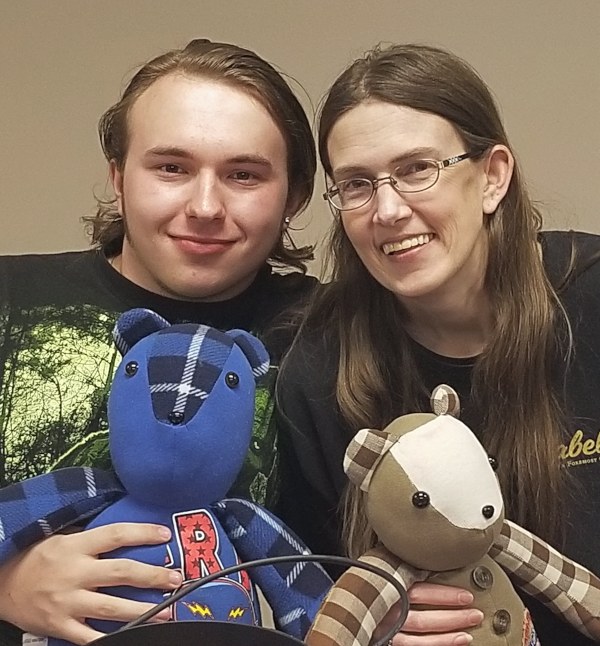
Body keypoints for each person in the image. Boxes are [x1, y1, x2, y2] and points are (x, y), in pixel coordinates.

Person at [276, 43, 600, 646]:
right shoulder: (319, 371)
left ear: (492, 177)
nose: (389, 210)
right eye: (356, 185)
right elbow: (319, 596)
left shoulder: (591, 299)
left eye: (417, 169)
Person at [0, 38, 317, 645]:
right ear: (118, 177)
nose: (204, 206)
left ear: (293, 196)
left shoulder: (337, 329)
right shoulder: (12, 297)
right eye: (171, 168)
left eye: (243, 174)